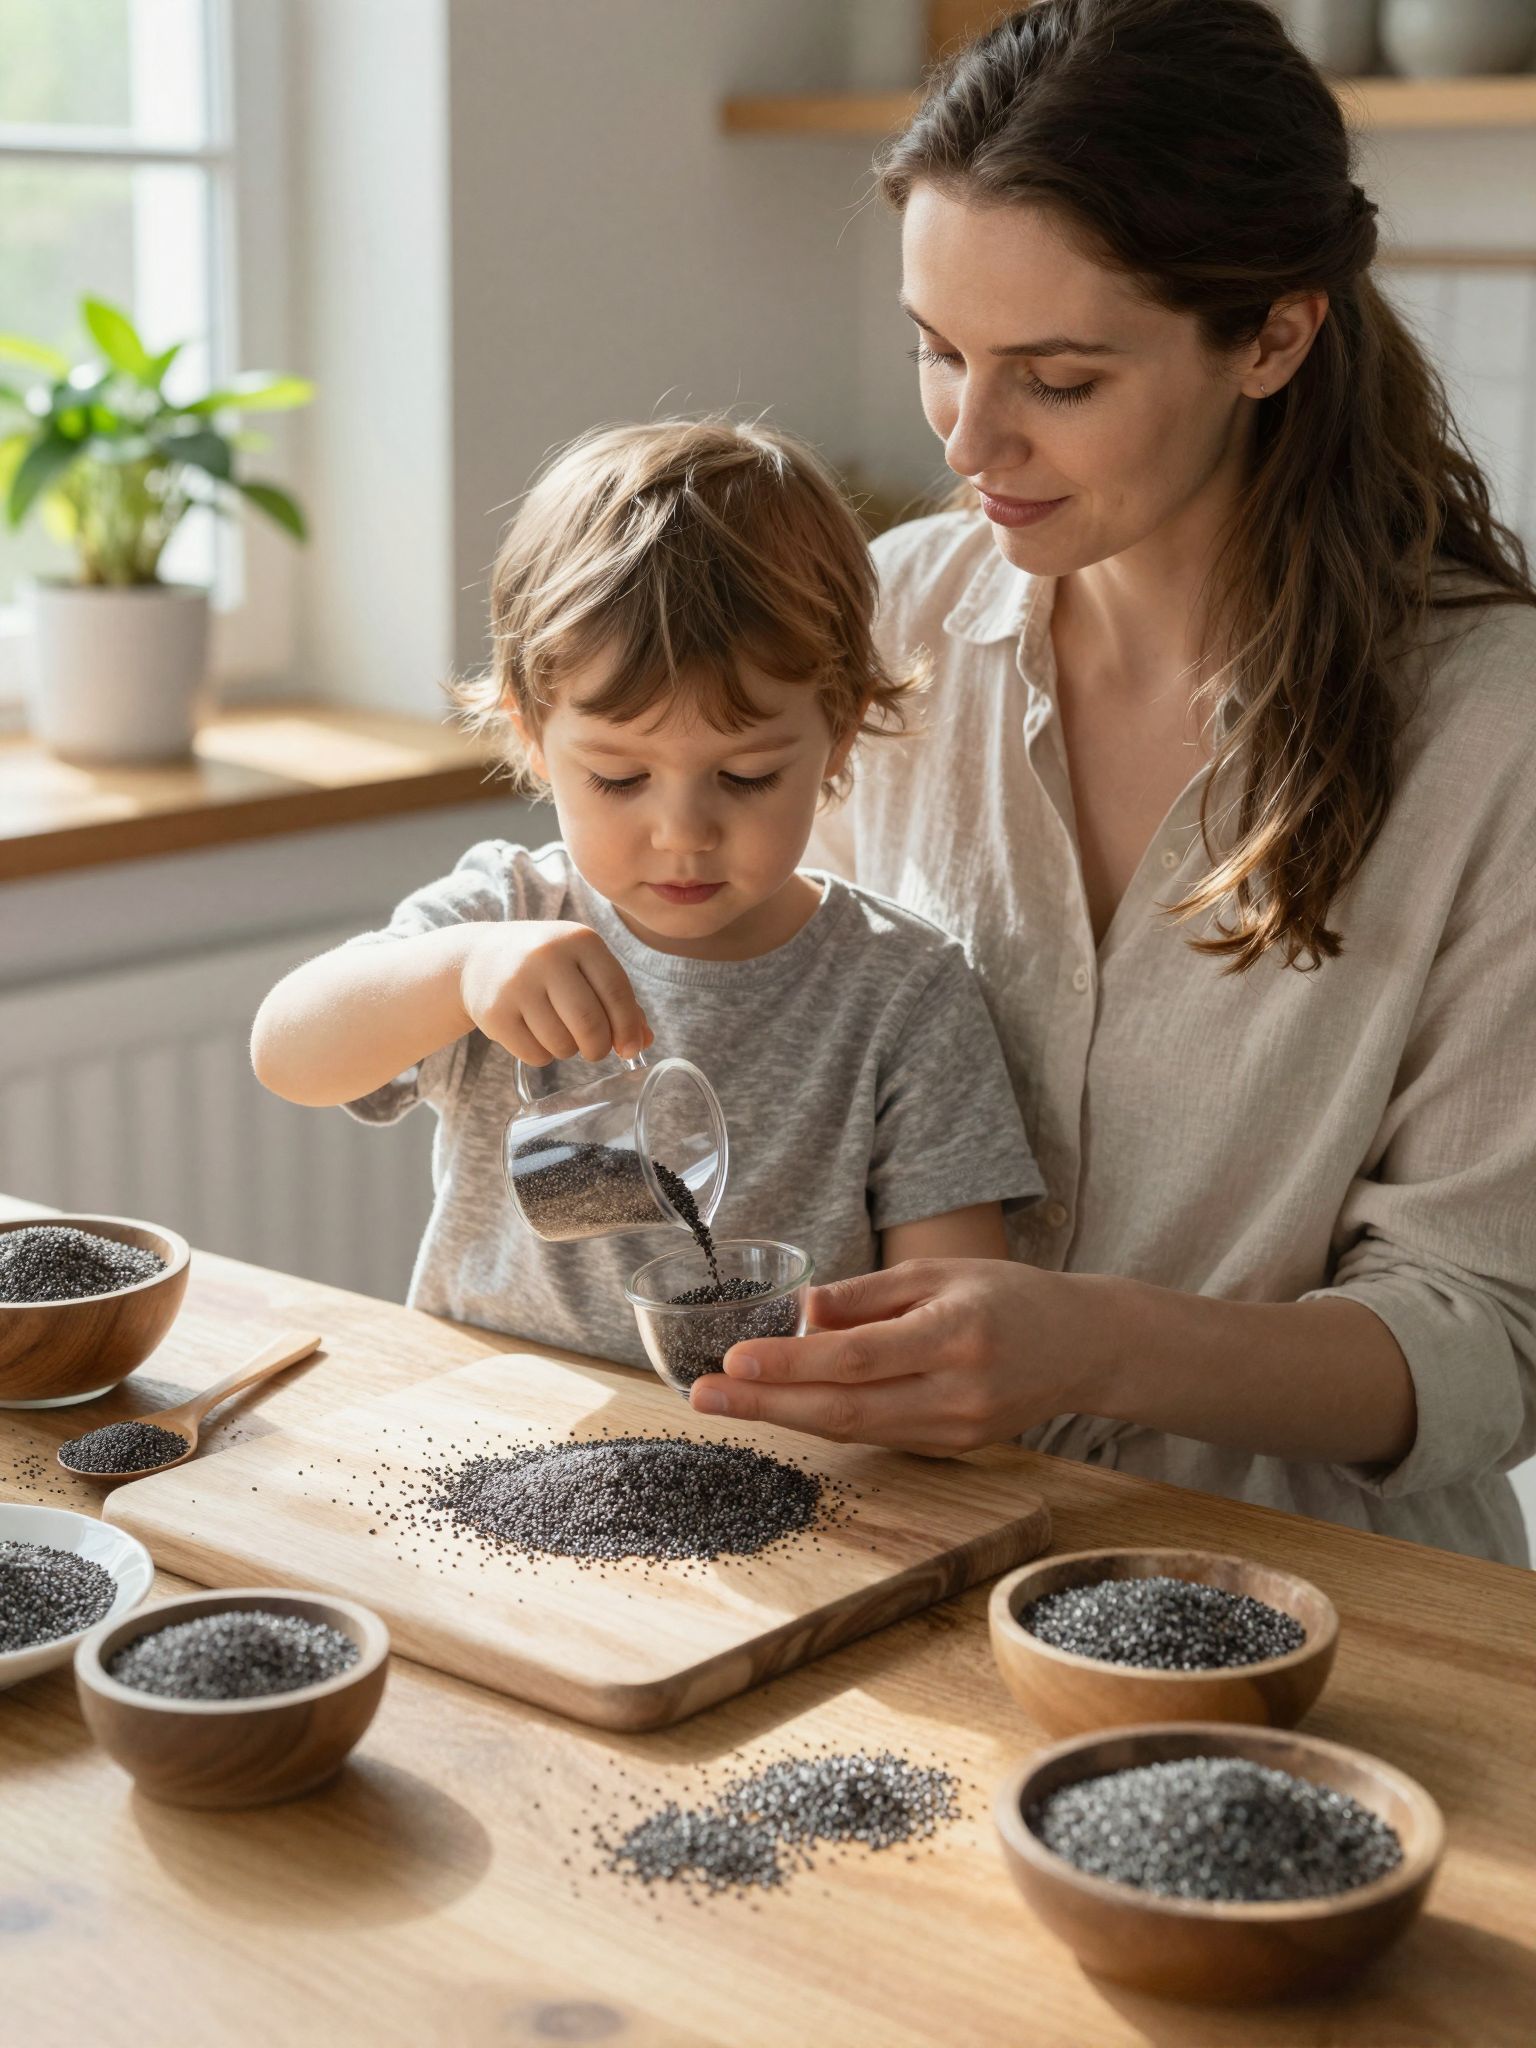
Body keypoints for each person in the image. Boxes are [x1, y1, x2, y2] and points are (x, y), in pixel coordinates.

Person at [690, 0, 1536, 1565]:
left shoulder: (1497, 731)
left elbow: (1488, 1338)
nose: (971, 437)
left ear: (1275, 336)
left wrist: (1089, 1345)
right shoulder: (879, 623)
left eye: (1060, 380)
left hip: (1327, 1609)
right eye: (938, 353)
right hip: (895, 1551)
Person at [250, 419, 1044, 1370]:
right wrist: (463, 971)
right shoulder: (507, 916)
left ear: (838, 737)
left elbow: (948, 1318)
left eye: (746, 776)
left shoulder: (902, 992)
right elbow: (287, 1052)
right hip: (482, 1429)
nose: (683, 833)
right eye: (621, 780)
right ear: (534, 738)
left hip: (774, 1457)